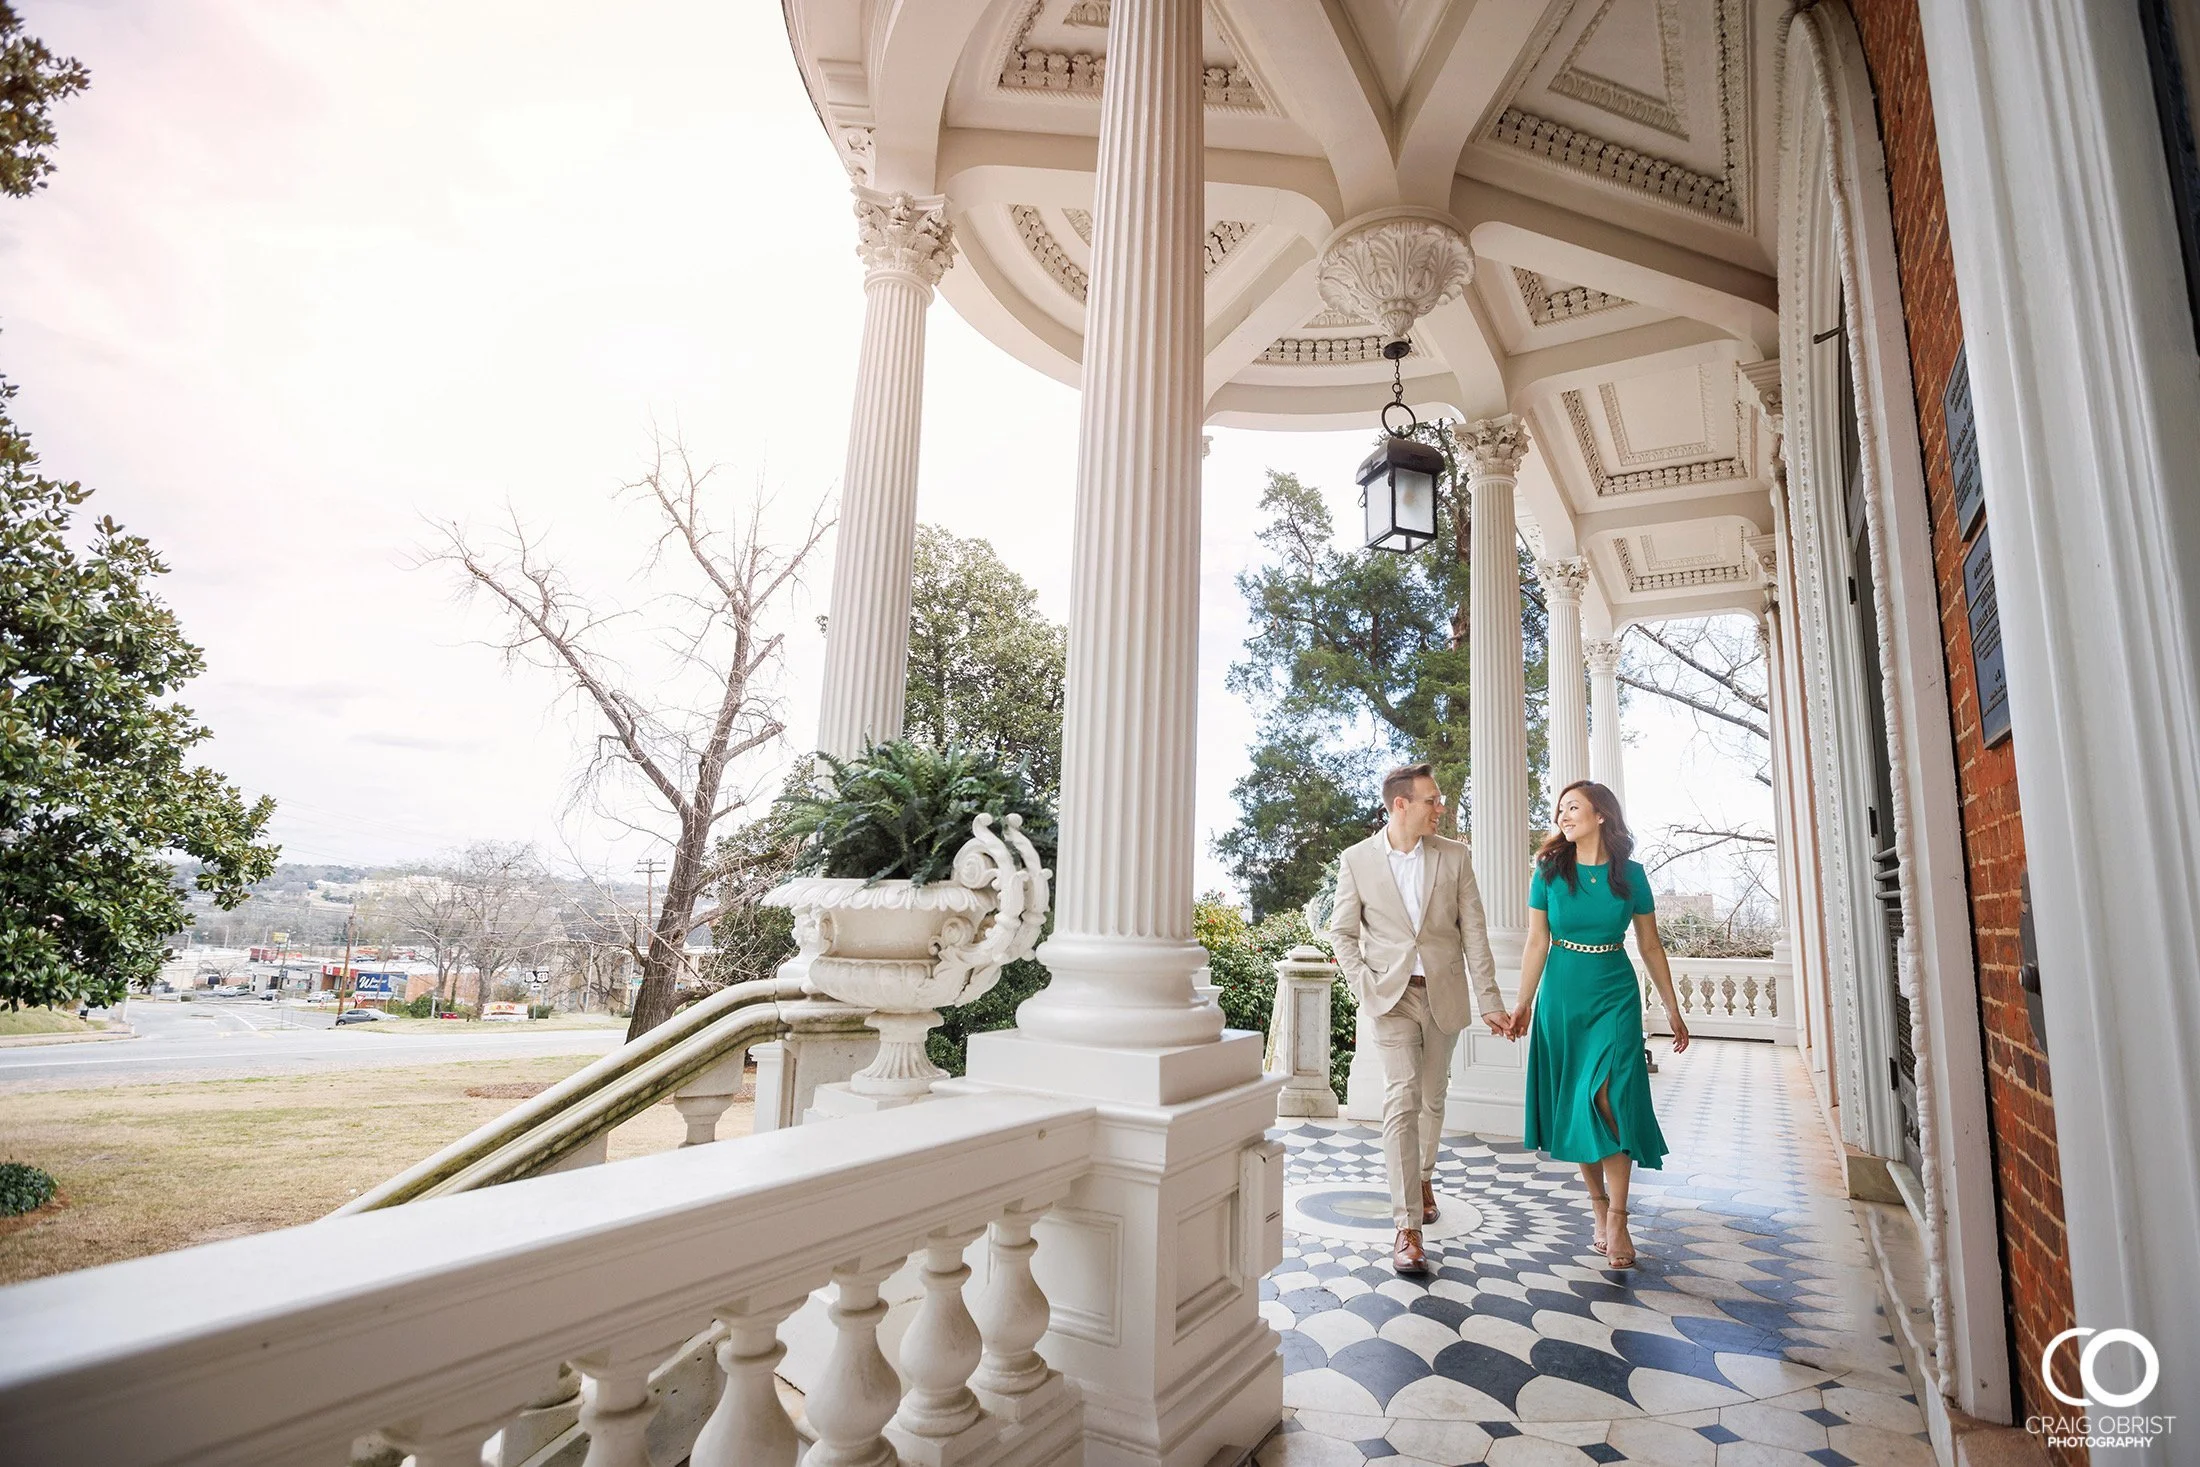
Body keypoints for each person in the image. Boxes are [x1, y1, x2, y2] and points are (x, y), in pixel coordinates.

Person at [1329, 762, 1512, 1275]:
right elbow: (1342, 931)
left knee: (1433, 1097)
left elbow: (1473, 931)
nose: (1441, 807)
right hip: (1390, 997)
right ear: (1400, 805)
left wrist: (1491, 999)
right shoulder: (1356, 860)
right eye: (1433, 799)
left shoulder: (1454, 857)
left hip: (1443, 992)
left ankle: (1424, 1174)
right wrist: (1362, 985)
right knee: (1402, 1096)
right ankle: (1406, 1225)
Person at [1507, 779, 1689, 1270]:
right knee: (1576, 1102)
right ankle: (1598, 1207)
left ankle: (1620, 1218)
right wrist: (1522, 1002)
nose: (1563, 816)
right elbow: (1535, 942)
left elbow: (1650, 946)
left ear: (1601, 814)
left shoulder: (1631, 875)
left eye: (1573, 807)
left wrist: (1672, 1008)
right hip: (1563, 995)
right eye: (1560, 809)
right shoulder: (1548, 871)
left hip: (1614, 991)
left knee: (1608, 1095)